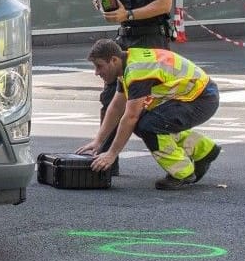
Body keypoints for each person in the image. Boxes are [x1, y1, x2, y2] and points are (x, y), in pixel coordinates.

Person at [78, 39, 221, 190]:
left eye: (99, 66)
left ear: (113, 60)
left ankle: (182, 172)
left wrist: (112, 154)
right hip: (195, 96)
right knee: (149, 123)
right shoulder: (128, 63)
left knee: (149, 125)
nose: (96, 72)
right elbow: (116, 107)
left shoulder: (137, 72)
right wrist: (98, 141)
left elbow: (130, 116)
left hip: (201, 99)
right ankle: (204, 150)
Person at [94, 0, 175, 160]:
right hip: (126, 35)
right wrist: (106, 4)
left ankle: (184, 159)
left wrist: (127, 14)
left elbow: (164, 3)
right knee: (110, 96)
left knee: (151, 106)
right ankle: (104, 159)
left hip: (151, 38)